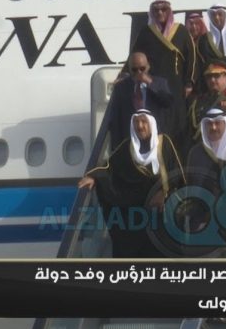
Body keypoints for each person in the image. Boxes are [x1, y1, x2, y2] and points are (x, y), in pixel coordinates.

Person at [78, 110, 185, 258]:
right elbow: (109, 167)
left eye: (144, 122)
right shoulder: (127, 147)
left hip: (161, 214)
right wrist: (94, 177)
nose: (140, 126)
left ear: (151, 124)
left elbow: (177, 173)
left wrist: (164, 193)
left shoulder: (164, 143)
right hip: (136, 216)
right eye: (136, 122)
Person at [132, 0, 197, 158]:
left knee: (179, 123)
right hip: (155, 86)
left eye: (163, 10)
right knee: (157, 123)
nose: (160, 13)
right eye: (156, 10)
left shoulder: (181, 31)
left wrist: (189, 82)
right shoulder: (146, 33)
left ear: (169, 12)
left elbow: (191, 58)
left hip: (177, 85)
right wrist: (125, 75)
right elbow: (134, 57)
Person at [108, 51, 173, 151]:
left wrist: (150, 83)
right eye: (134, 70)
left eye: (142, 69)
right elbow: (115, 119)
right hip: (131, 140)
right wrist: (116, 147)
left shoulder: (160, 83)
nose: (139, 73)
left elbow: (167, 102)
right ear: (129, 69)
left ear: (148, 67)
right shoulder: (121, 87)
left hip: (155, 139)